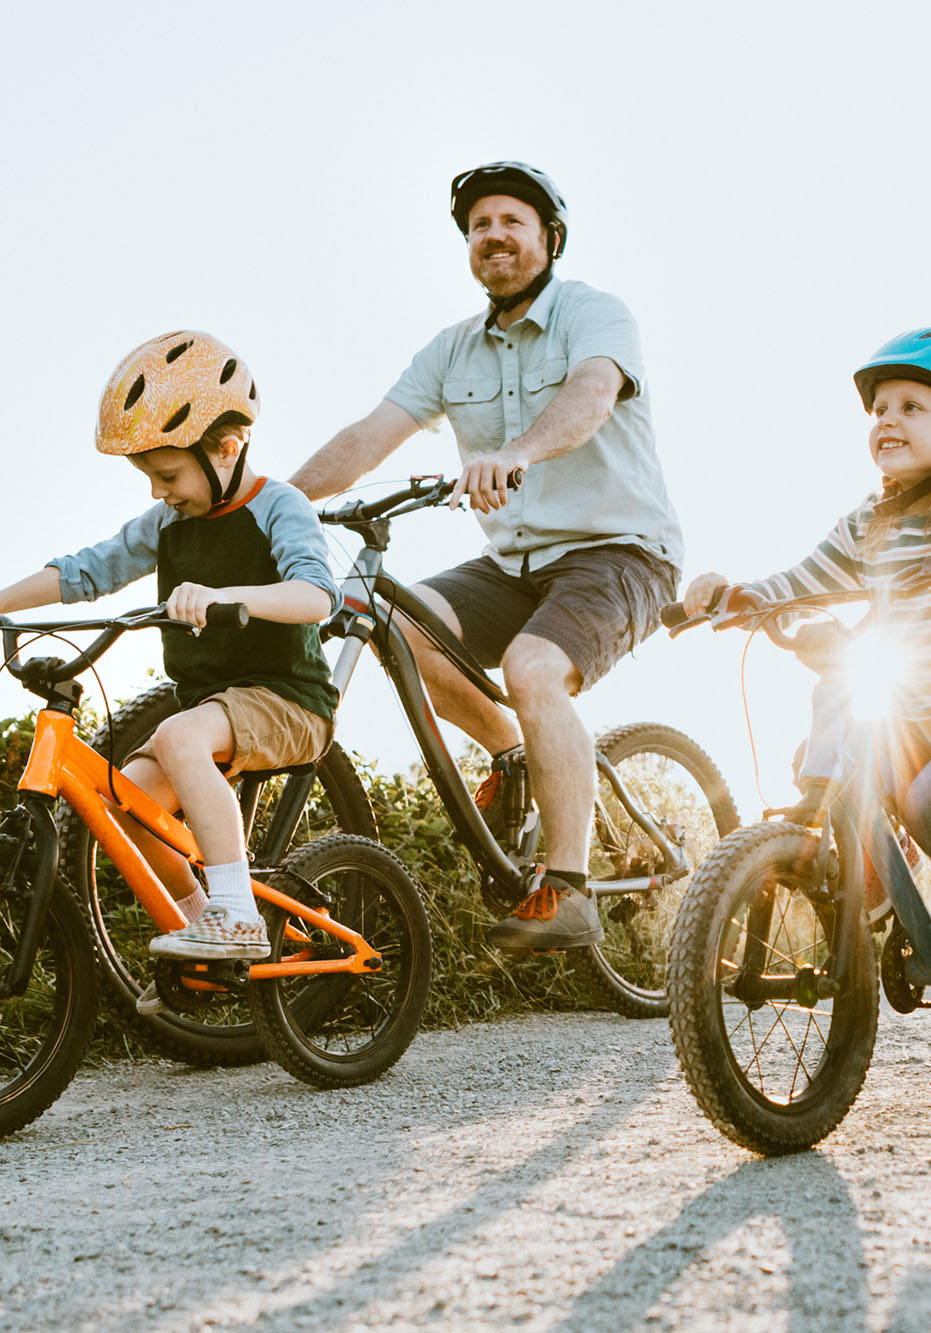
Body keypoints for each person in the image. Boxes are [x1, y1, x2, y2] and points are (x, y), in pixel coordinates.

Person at [290, 161, 682, 953]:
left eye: (511, 222)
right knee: (394, 620)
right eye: (478, 228)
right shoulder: (452, 350)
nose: (492, 236)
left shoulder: (595, 314)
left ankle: (567, 889)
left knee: (534, 668)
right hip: (516, 565)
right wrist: (272, 506)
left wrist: (518, 451)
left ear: (550, 238)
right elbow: (368, 438)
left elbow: (593, 395)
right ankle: (511, 754)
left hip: (621, 551)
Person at [679, 328, 931, 1045]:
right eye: (879, 408)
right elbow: (799, 582)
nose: (888, 420)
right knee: (827, 751)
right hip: (907, 717)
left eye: (912, 406)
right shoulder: (868, 522)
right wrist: (733, 596)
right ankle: (884, 861)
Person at [0, 331, 341, 967]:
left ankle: (235, 914)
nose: (157, 491)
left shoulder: (278, 505)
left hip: (288, 698)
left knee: (178, 737)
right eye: (148, 476)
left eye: (167, 474)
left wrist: (225, 594)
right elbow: (86, 570)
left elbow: (317, 596)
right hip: (212, 709)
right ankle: (207, 931)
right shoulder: (169, 523)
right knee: (125, 808)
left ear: (226, 448)